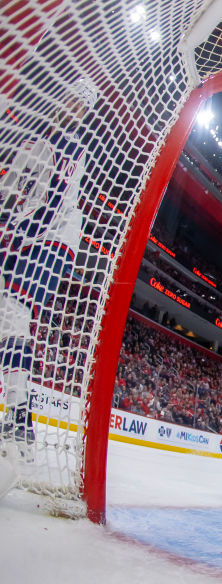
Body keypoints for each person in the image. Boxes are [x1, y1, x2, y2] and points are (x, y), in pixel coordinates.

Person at [1, 77, 98, 468]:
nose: (73, 109)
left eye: (81, 105)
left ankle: (20, 419)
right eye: (71, 100)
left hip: (48, 244)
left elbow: (51, 207)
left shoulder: (72, 147)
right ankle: (18, 415)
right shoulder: (34, 137)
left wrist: (12, 234)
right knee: (9, 323)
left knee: (13, 317)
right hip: (22, 239)